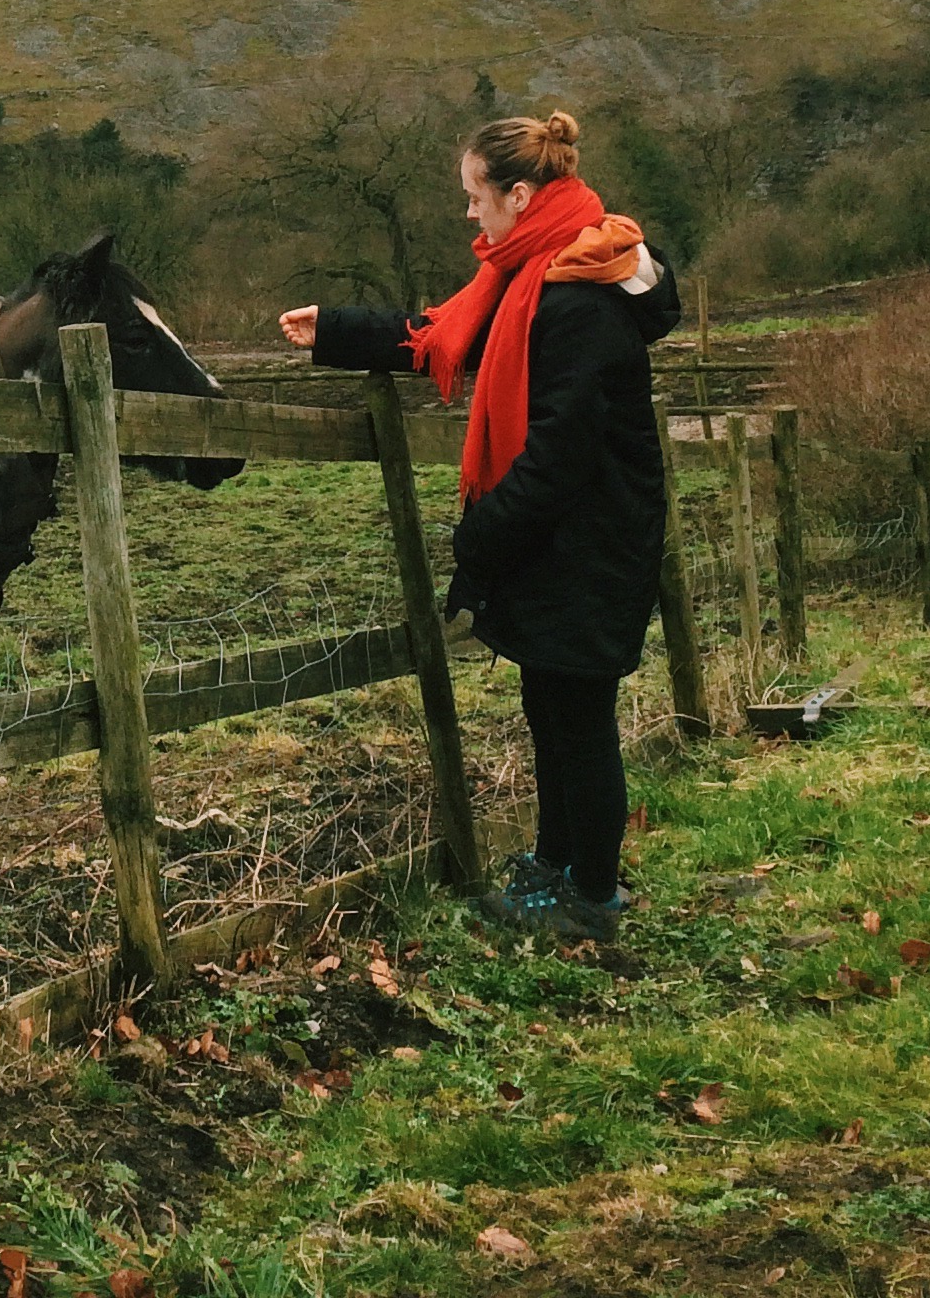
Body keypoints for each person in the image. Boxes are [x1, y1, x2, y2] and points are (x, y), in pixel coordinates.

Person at [279, 110, 679, 941]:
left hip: (587, 542)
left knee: (577, 715)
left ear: (520, 195)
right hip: (570, 540)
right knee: (553, 706)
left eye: (475, 196)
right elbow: (445, 331)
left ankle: (591, 898)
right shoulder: (540, 269)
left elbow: (560, 454)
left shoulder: (574, 299)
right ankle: (555, 871)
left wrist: (480, 534)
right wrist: (337, 331)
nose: (468, 214)